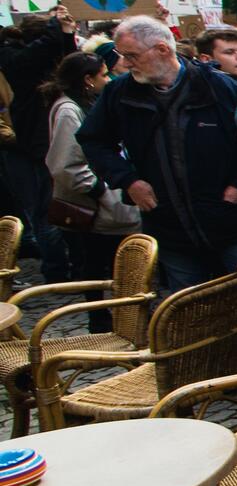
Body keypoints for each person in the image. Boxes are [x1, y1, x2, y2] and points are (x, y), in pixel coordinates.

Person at [77, 16, 237, 291]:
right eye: (122, 56)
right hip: (169, 225)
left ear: (162, 49)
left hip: (229, 221)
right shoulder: (120, 93)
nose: (125, 63)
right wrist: (128, 180)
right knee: (187, 307)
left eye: (132, 55)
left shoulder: (219, 87)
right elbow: (93, 140)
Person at [43, 51, 141, 329]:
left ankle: (117, 318)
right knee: (99, 263)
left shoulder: (84, 103)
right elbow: (65, 163)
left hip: (102, 201)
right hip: (95, 204)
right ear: (87, 80)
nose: (108, 78)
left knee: (106, 261)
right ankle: (102, 320)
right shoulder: (68, 110)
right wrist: (100, 191)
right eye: (103, 74)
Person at [0, 7, 78, 280]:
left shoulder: (41, 61)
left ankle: (70, 262)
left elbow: (71, 63)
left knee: (62, 205)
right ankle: (55, 269)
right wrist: (56, 31)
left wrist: (65, 34)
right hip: (28, 146)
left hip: (46, 140)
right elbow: (34, 57)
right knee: (43, 211)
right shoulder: (16, 59)